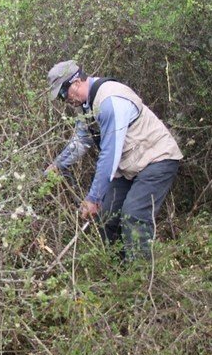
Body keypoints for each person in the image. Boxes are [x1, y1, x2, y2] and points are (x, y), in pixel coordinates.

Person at [46, 60, 183, 261]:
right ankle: (120, 275)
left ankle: (142, 279)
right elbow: (81, 142)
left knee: (134, 215)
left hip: (157, 159)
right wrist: (58, 165)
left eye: (63, 94)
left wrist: (94, 197)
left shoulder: (110, 100)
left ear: (75, 83)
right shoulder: (86, 107)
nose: (64, 99)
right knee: (106, 217)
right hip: (129, 167)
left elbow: (110, 154)